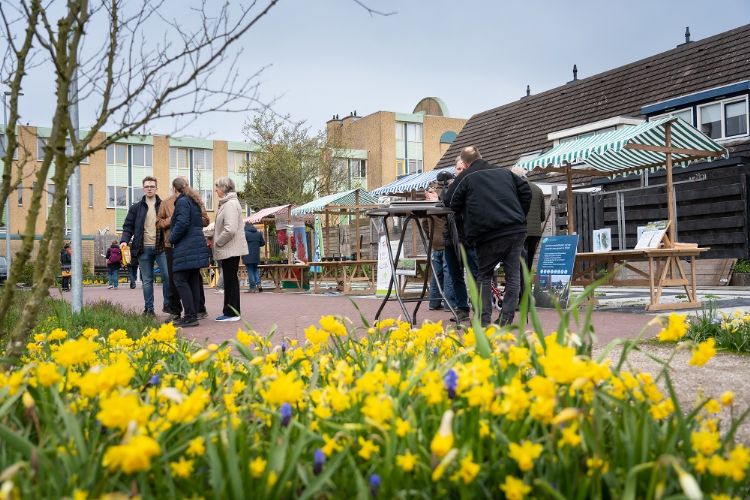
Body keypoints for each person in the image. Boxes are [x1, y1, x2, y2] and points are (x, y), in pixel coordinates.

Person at [446, 146, 531, 327]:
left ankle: (483, 320)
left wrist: (466, 210)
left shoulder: (466, 176)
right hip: (515, 230)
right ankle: (505, 320)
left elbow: (449, 201)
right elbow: (526, 190)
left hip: (488, 233)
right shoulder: (505, 172)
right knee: (513, 276)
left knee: (484, 275)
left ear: (465, 163)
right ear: (481, 156)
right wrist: (520, 215)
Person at [157, 176, 210, 322]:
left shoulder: (182, 201)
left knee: (179, 280)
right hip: (196, 245)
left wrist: (172, 238)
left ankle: (190, 316)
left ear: (174, 188)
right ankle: (193, 314)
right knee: (193, 280)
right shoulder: (194, 200)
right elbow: (198, 221)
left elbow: (182, 223)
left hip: (185, 247)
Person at [120, 176, 171, 316]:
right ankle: (149, 309)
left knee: (167, 277)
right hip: (143, 248)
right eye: (147, 186)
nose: (149, 189)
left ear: (156, 188)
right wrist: (124, 240)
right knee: (147, 280)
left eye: (152, 186)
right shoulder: (136, 208)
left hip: (161, 247)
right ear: (143, 189)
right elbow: (128, 226)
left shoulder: (164, 205)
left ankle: (168, 305)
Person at [212, 177, 248, 321]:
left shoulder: (230, 204)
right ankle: (231, 312)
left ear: (224, 188)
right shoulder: (229, 203)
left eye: (217, 187)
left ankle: (231, 313)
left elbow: (230, 229)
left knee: (230, 280)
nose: (216, 190)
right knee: (230, 280)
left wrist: (218, 242)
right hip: (230, 249)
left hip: (229, 249)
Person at [511, 166, 546, 300]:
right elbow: (542, 216)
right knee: (528, 265)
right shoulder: (538, 189)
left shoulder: (515, 189)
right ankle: (527, 297)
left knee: (519, 266)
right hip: (535, 233)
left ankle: (522, 299)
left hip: (520, 233)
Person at [423, 184, 451, 310]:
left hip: (434, 244)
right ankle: (449, 304)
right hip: (445, 243)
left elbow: (424, 224)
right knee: (448, 273)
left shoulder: (427, 207)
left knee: (436, 274)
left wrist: (430, 237)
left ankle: (434, 303)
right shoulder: (441, 206)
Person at [243, 221, 265, 293]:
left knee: (250, 271)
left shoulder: (245, 234)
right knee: (255, 270)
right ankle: (259, 284)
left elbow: (241, 244)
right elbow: (263, 243)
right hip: (256, 255)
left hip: (247, 255)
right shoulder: (258, 233)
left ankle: (252, 287)